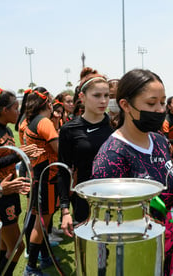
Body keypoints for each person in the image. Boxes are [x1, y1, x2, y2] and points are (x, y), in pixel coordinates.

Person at [92, 69, 173, 276]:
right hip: (135, 261)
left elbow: (167, 207)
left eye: (162, 102)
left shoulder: (160, 142)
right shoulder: (112, 156)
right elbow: (107, 227)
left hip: (168, 250)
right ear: (125, 105)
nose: (159, 110)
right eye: (150, 103)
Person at [0, 87, 41, 275]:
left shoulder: (6, 129)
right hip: (0, 194)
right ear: (3, 110)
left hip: (11, 191)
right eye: (15, 108)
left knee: (3, 246)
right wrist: (19, 156)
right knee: (17, 247)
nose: (19, 112)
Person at [58, 67, 113, 236]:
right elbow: (63, 171)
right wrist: (65, 211)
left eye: (106, 95)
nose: (103, 100)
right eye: (97, 95)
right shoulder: (69, 129)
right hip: (84, 200)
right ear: (82, 97)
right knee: (89, 255)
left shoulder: (115, 125)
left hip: (113, 199)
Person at [22, 87, 59, 276]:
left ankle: (44, 258)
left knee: (42, 220)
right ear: (46, 104)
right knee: (41, 222)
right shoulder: (44, 121)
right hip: (47, 178)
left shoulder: (32, 121)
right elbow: (58, 148)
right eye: (51, 101)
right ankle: (30, 268)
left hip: (39, 177)